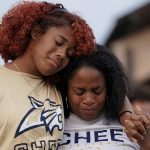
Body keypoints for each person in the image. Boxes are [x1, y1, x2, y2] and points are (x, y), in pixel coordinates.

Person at [0, 1, 95, 149]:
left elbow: (108, 80)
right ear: (36, 32)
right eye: (58, 42)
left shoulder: (60, 86)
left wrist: (126, 114)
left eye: (69, 53)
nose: (62, 54)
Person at [57, 45, 150, 150]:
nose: (88, 100)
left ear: (109, 88)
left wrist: (146, 142)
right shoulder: (54, 126)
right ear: (65, 89)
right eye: (80, 92)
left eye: (97, 91)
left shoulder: (131, 125)